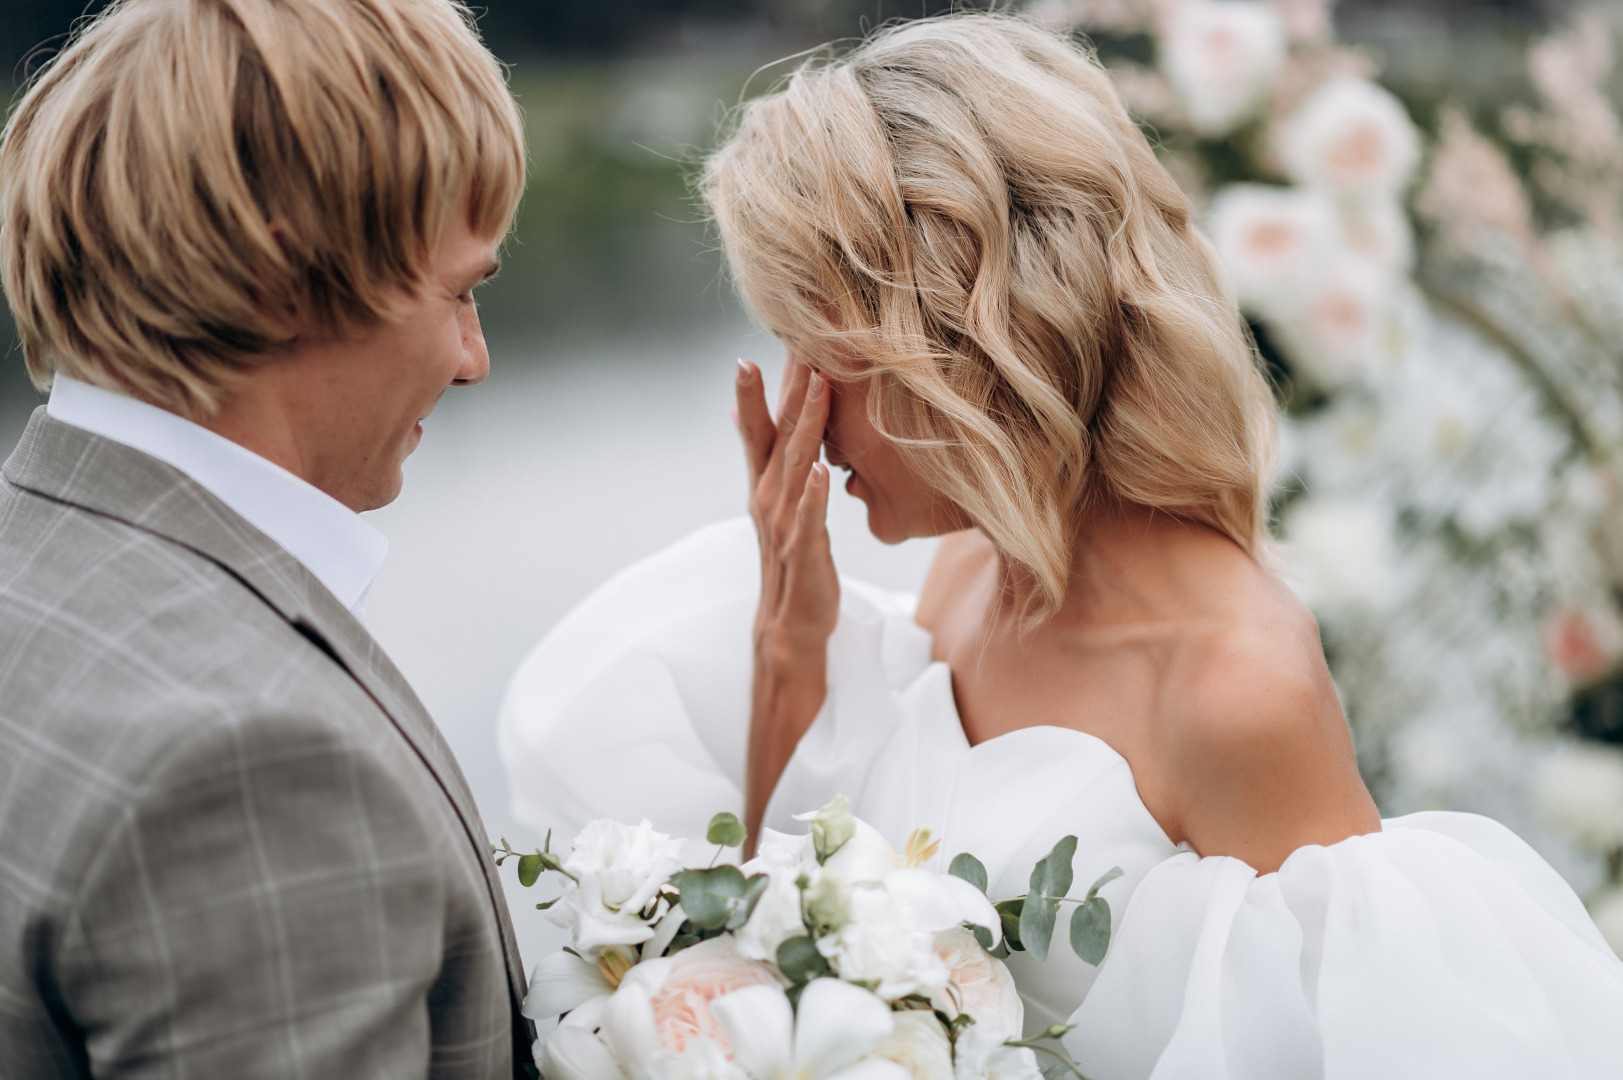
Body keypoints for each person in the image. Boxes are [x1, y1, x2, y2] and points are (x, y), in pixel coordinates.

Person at [500, 12, 1623, 1078]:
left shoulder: (1237, 687)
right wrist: (790, 655)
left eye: (816, 347)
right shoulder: (969, 572)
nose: (799, 403)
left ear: (950, 343)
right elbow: (786, 934)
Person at [0, 0, 532, 1076]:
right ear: (286, 275)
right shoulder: (248, 764)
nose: (474, 360)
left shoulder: (32, 560)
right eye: (461, 291)